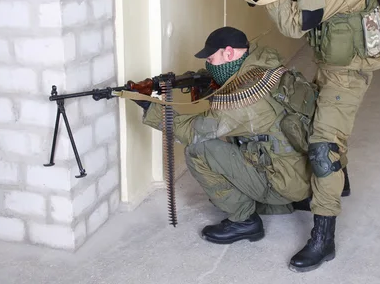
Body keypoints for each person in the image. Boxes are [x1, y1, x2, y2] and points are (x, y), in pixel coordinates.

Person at [246, 0, 380, 272]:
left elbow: (295, 25)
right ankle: (340, 184)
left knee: (324, 147)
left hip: (349, 74)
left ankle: (323, 240)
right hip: (331, 65)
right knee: (314, 122)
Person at [134, 26, 317, 252]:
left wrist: (150, 107)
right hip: (304, 172)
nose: (209, 65)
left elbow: (193, 130)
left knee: (198, 149)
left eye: (211, 58)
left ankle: (244, 220)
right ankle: (283, 199)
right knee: (229, 138)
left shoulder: (245, 98)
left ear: (229, 53)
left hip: (282, 184)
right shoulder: (268, 67)